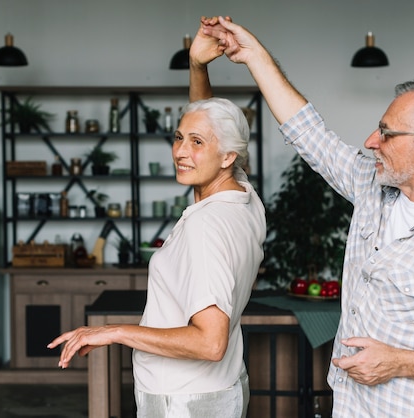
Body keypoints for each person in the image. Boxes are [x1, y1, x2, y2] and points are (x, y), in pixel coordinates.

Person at [189, 16, 414, 417]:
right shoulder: (373, 185)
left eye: (387, 133)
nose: (371, 141)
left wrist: (401, 361)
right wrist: (253, 56)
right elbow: (308, 132)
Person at [48, 97, 266, 418]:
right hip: (221, 388)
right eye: (179, 137)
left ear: (228, 156)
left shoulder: (204, 225)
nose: (180, 151)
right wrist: (197, 64)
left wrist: (114, 332)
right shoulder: (246, 199)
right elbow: (208, 118)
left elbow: (210, 343)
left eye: (196, 142)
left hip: (182, 400)